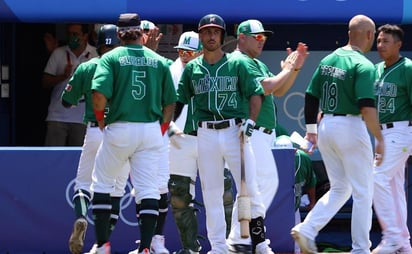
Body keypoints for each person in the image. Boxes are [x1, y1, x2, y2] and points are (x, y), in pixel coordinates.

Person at [176, 14, 301, 254]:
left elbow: (256, 94)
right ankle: (219, 247)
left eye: (215, 31)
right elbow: (180, 99)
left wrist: (250, 122)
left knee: (251, 189)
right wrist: (168, 126)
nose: (211, 36)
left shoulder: (238, 62)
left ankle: (260, 242)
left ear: (222, 36)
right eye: (206, 31)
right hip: (206, 133)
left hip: (235, 130)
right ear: (200, 35)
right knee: (212, 194)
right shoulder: (193, 68)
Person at [290, 14, 385, 254]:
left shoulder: (328, 59)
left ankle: (308, 228)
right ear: (369, 35)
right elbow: (366, 105)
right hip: (350, 126)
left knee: (341, 188)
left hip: (327, 126)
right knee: (363, 191)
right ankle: (361, 248)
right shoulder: (363, 65)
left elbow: (311, 96)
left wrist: (311, 131)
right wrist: (380, 138)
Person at [90, 13, 176, 254]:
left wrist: (101, 121)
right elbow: (170, 101)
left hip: (120, 126)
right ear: (142, 33)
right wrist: (161, 128)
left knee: (103, 184)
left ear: (119, 34)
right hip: (150, 129)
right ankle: (146, 248)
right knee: (148, 190)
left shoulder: (111, 57)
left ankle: (103, 245)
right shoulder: (158, 60)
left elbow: (98, 96)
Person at [226, 19, 308, 254]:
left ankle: (237, 239)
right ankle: (255, 242)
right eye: (257, 37)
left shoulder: (255, 62)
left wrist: (295, 69)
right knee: (259, 186)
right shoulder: (241, 60)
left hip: (261, 134)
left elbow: (280, 89)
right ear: (242, 38)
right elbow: (269, 86)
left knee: (256, 188)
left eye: (264, 38)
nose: (262, 41)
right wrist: (286, 69)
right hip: (250, 131)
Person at [61, 24, 130, 254]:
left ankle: (82, 217)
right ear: (118, 43)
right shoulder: (126, 68)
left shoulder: (87, 66)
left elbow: (66, 101)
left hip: (94, 130)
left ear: (98, 43)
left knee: (83, 184)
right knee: (117, 189)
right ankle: (102, 244)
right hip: (121, 131)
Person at [372, 24, 412, 254]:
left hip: (402, 130)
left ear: (398, 44)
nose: (381, 45)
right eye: (379, 40)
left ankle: (392, 237)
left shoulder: (407, 68)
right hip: (382, 133)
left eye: (386, 41)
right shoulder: (376, 69)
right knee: (395, 187)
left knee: (377, 177)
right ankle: (404, 243)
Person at [42, 23, 97, 146]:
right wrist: (63, 76)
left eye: (75, 34)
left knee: (79, 159)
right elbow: (45, 82)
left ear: (85, 36)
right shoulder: (58, 53)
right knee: (53, 159)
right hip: (57, 116)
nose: (71, 37)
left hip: (82, 118)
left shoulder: (95, 54)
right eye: (69, 34)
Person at [274, 135, 317, 254]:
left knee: (296, 248)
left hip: (294, 206)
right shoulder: (269, 161)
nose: (283, 158)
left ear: (294, 151)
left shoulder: (303, 159)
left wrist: (312, 202)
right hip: (273, 209)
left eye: (286, 154)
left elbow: (311, 182)